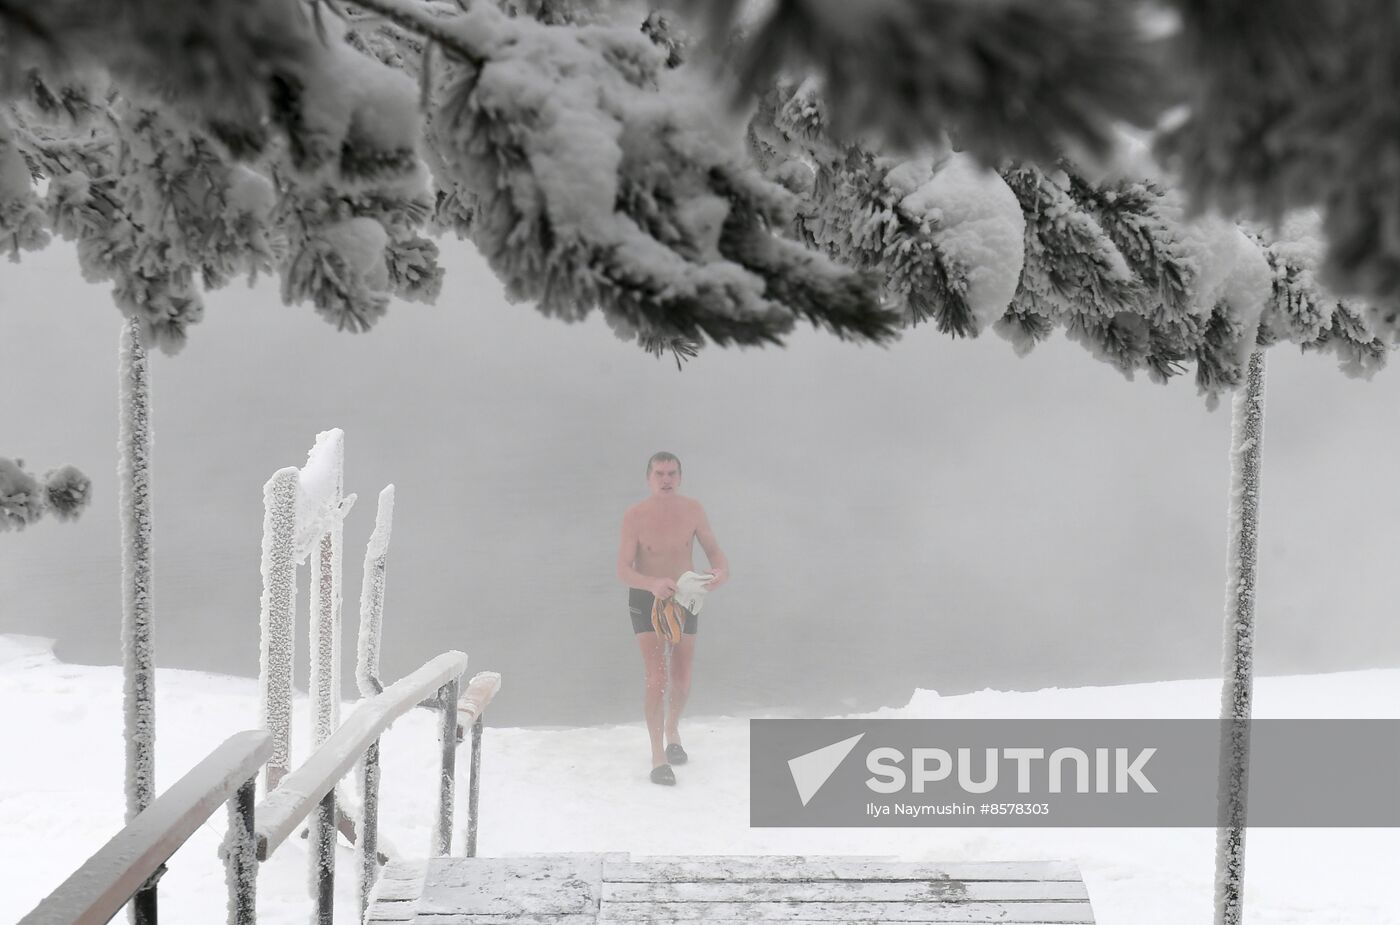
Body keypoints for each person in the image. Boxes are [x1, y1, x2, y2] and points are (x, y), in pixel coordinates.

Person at [616, 451, 729, 785]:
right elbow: (622, 570)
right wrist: (651, 583)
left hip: (684, 596)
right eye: (659, 474)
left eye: (671, 473)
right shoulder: (634, 516)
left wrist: (721, 571)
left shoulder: (693, 510)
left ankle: (672, 730)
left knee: (681, 677)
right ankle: (657, 756)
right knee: (657, 677)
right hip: (647, 597)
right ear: (648, 478)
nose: (665, 480)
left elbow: (714, 550)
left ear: (680, 477)